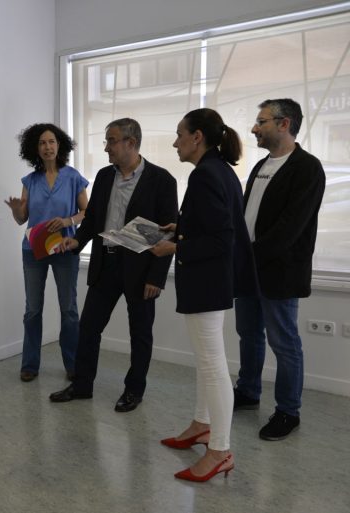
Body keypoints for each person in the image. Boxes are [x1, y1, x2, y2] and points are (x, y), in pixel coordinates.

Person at [151, 108, 257, 482]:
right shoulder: (218, 170)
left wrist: (175, 247)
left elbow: (222, 238)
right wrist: (181, 228)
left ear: (197, 137)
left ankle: (221, 450)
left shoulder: (206, 175)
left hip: (208, 282)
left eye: (180, 134)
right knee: (206, 359)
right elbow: (214, 225)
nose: (175, 141)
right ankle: (201, 424)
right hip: (213, 281)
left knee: (213, 364)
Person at [48, 118, 177, 412]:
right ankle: (82, 385)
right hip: (105, 263)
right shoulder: (105, 176)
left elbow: (168, 231)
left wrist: (157, 277)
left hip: (141, 269)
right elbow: (92, 218)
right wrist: (77, 242)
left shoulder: (162, 180)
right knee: (89, 328)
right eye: (107, 141)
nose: (106, 147)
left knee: (140, 334)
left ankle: (134, 390)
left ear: (131, 143)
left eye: (111, 141)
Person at [233, 99, 326, 441]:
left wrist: (248, 255)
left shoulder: (307, 168)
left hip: (280, 272)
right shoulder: (260, 166)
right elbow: (247, 217)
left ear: (284, 124)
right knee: (249, 334)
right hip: (249, 269)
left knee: (284, 343)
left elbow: (291, 228)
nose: (255, 128)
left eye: (262, 122)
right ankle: (248, 392)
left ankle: (288, 411)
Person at [5, 123, 89, 382]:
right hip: (34, 250)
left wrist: (67, 222)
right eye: (42, 143)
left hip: (65, 248)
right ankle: (29, 365)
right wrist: (16, 209)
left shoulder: (73, 177)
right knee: (33, 310)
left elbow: (88, 213)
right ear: (35, 149)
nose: (47, 147)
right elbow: (23, 219)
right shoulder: (30, 181)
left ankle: (73, 365)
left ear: (59, 145)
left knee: (69, 310)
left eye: (51, 141)